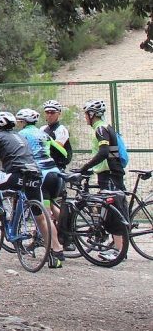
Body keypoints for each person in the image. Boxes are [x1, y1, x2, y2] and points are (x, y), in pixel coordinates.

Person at [0, 111, 62, 267]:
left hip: (15, 175)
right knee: (41, 218)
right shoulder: (21, 137)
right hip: (35, 175)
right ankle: (54, 256)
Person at [77, 99, 128, 262]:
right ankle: (119, 248)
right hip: (111, 172)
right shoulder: (105, 127)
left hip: (110, 173)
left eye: (86, 114)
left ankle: (118, 250)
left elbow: (104, 152)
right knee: (111, 209)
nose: (85, 117)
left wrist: (85, 167)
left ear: (91, 114)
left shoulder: (100, 129)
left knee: (114, 211)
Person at [41, 100, 72, 170]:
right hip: (44, 165)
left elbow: (57, 148)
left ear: (59, 113)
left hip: (57, 166)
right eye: (47, 112)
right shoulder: (42, 129)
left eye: (52, 112)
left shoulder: (61, 129)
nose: (49, 115)